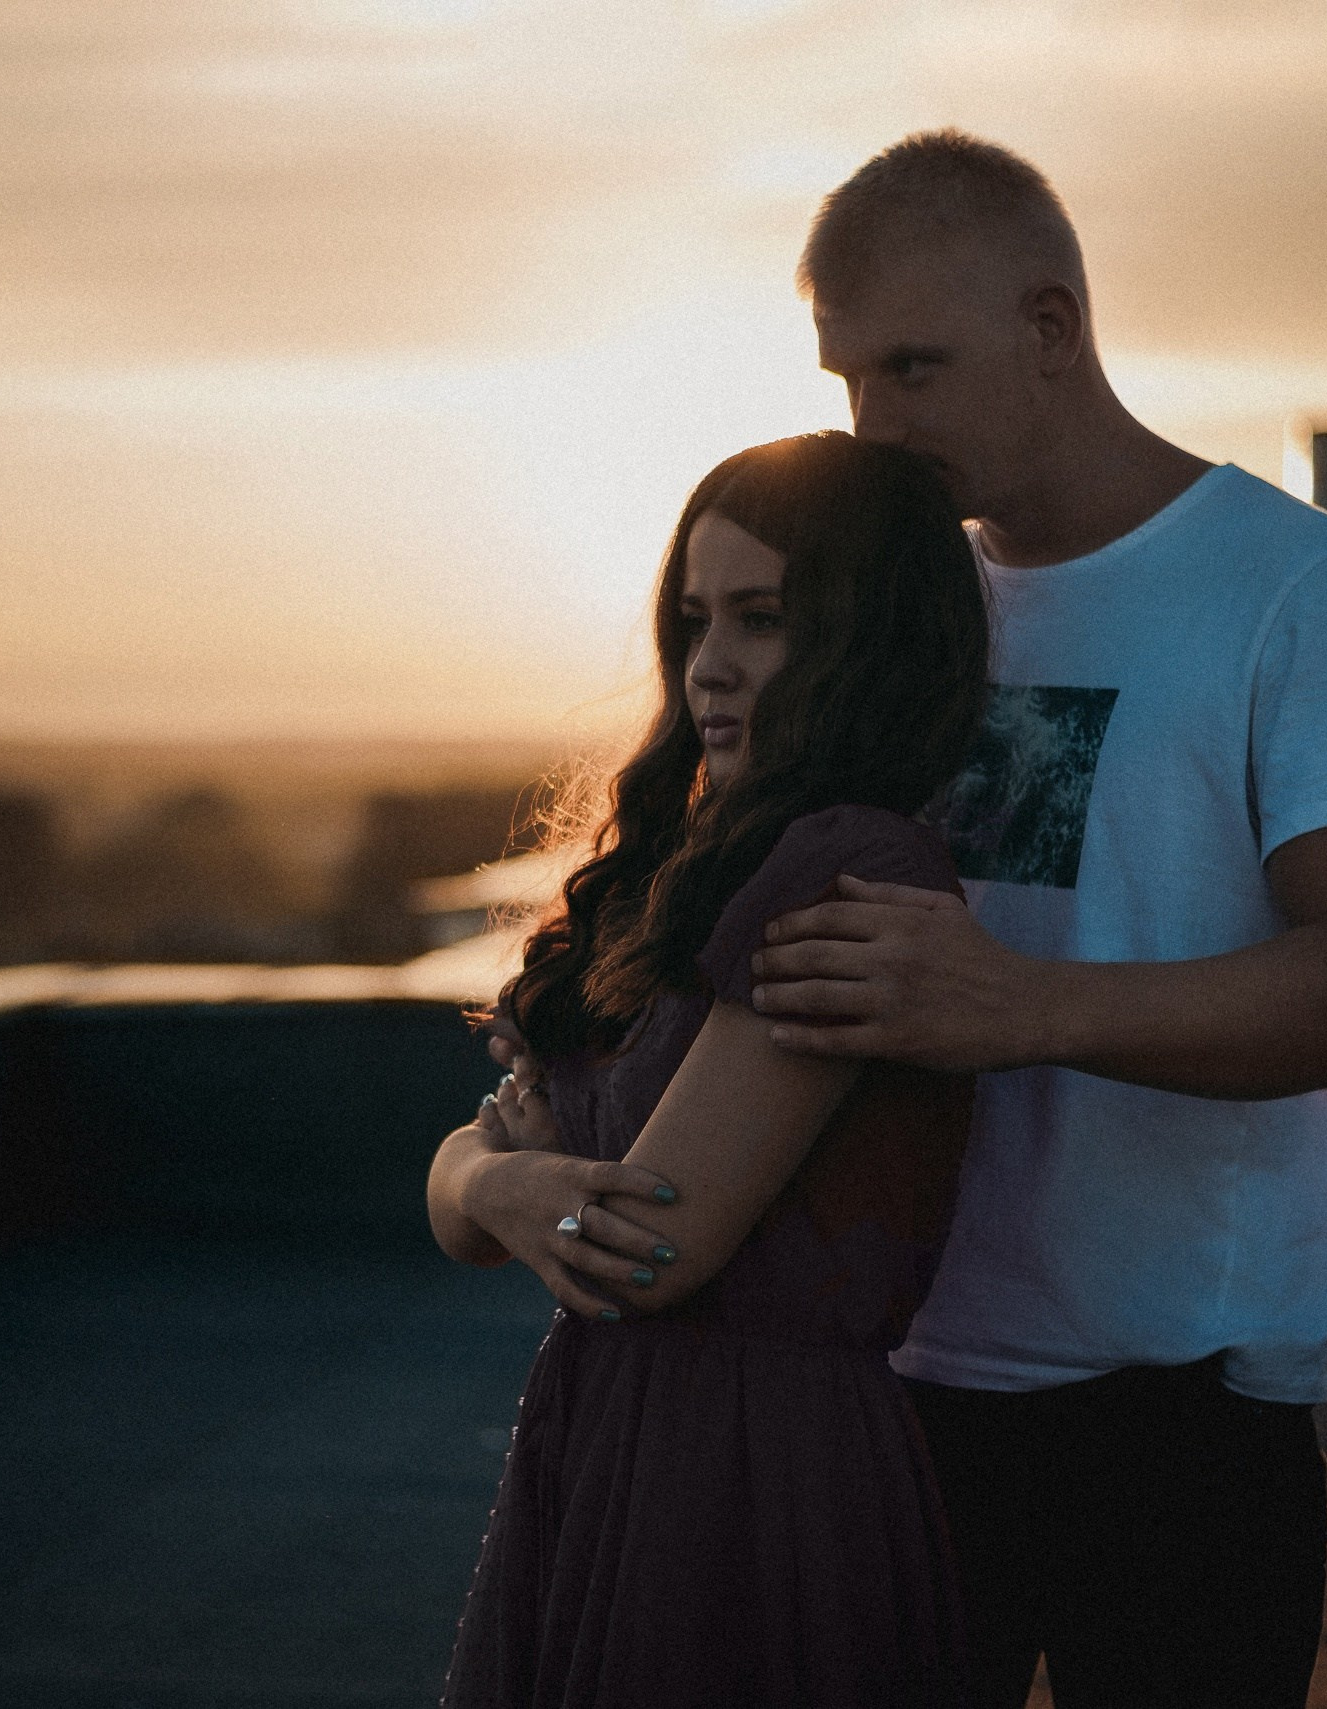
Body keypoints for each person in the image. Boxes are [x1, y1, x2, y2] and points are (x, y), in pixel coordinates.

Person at [568, 132, 1327, 1707]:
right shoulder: (899, 598)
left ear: (1053, 328)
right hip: (881, 1396)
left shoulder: (1297, 588)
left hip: (1176, 1415)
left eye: (915, 365)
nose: (876, 427)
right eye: (850, 379)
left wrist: (1025, 1006)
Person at [425, 431, 992, 1708]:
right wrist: (497, 1184)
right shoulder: (688, 868)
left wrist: (512, 1181)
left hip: (753, 1477)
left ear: (869, 637)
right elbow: (479, 1188)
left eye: (761, 617)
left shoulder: (854, 868)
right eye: (692, 620)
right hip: (620, 1429)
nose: (708, 666)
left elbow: (643, 1246)